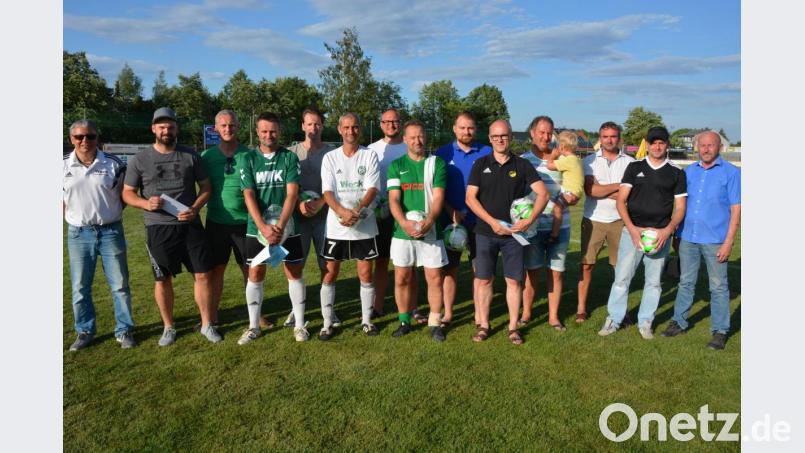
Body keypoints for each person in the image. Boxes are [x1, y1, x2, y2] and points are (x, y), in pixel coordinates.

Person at [122, 107, 218, 346]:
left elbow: (206, 187)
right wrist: (146, 203)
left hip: (190, 224)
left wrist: (195, 208)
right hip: (158, 227)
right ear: (153, 129)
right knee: (162, 278)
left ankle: (207, 324)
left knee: (203, 275)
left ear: (177, 129)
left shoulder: (190, 155)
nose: (166, 130)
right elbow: (127, 193)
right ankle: (168, 327)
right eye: (162, 126)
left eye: (171, 126)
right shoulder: (140, 159)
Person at [598, 126, 687, 339]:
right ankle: (614, 319)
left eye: (661, 142)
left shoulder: (676, 172)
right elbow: (621, 201)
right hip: (633, 232)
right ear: (647, 144)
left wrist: (667, 231)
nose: (657, 146)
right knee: (621, 278)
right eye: (653, 142)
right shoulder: (634, 167)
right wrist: (632, 230)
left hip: (660, 235)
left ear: (667, 144)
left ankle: (646, 322)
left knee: (654, 283)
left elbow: (681, 208)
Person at [465, 119, 549, 345]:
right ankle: (484, 325)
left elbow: (543, 194)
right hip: (485, 232)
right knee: (484, 280)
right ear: (490, 139)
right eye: (495, 136)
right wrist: (492, 222)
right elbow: (470, 198)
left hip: (514, 235)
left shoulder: (522, 165)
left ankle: (513, 327)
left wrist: (529, 220)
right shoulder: (480, 164)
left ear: (511, 137)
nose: (500, 140)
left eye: (504, 135)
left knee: (513, 281)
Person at [661, 130, 740, 350]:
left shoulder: (731, 173)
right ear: (697, 147)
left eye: (710, 145)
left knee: (718, 286)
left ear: (719, 147)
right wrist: (677, 234)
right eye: (702, 145)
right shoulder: (689, 172)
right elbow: (681, 204)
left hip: (716, 239)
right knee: (686, 282)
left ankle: (720, 330)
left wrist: (728, 242)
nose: (706, 149)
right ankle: (679, 322)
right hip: (688, 236)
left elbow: (736, 209)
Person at [64, 119, 136, 350]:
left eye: (90, 136)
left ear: (97, 138)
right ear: (72, 139)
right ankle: (85, 330)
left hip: (110, 232)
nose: (85, 140)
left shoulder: (114, 163)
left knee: (120, 285)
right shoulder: (61, 165)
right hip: (79, 234)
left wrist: (109, 214)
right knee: (80, 287)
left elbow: (124, 196)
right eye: (79, 137)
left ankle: (124, 330)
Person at [237, 112, 307, 344]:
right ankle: (253, 327)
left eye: (273, 131)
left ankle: (299, 325)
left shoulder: (289, 157)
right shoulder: (248, 158)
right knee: (255, 273)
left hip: (288, 227)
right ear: (257, 132)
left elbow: (292, 193)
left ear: (279, 131)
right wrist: (263, 228)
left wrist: (280, 226)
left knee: (294, 272)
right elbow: (248, 195)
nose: (269, 135)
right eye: (264, 131)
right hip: (257, 229)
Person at [319, 112, 381, 340]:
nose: (350, 131)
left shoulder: (369, 155)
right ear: (339, 129)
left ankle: (366, 321)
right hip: (337, 226)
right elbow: (327, 192)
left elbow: (372, 188)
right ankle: (327, 323)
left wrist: (357, 211)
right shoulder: (330, 157)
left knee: (365, 273)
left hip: (364, 224)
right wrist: (341, 212)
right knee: (330, 273)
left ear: (360, 129)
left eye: (354, 127)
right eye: (346, 127)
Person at [386, 120, 449, 341]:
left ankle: (435, 322)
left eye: (420, 136)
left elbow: (439, 197)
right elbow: (393, 199)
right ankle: (404, 321)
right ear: (405, 140)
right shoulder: (396, 165)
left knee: (434, 278)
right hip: (402, 232)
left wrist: (430, 221)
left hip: (431, 230)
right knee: (402, 277)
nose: (417, 141)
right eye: (412, 137)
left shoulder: (436, 164)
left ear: (426, 136)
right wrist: (404, 222)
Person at [283, 108, 340, 328]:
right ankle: (295, 310)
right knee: (295, 265)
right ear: (302, 126)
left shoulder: (331, 153)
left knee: (328, 265)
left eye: (317, 124)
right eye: (309, 124)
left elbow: (337, 186)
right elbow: (285, 185)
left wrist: (321, 203)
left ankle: (328, 309)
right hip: (298, 219)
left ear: (322, 126)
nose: (313, 128)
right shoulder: (291, 153)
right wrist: (299, 202)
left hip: (326, 218)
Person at [434, 111, 492, 327]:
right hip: (451, 222)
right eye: (462, 127)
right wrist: (451, 211)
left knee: (480, 270)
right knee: (449, 270)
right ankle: (448, 313)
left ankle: (479, 313)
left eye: (470, 128)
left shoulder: (487, 152)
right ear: (454, 128)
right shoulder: (442, 153)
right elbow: (436, 189)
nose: (466, 131)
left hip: (480, 222)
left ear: (476, 129)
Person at [576, 122, 635, 323]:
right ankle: (581, 309)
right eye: (605, 136)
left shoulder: (630, 162)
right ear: (600, 138)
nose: (609, 140)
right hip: (593, 220)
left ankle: (621, 310)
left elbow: (630, 195)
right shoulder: (589, 161)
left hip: (620, 220)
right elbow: (590, 191)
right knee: (586, 266)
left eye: (613, 136)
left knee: (620, 269)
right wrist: (619, 187)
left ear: (619, 138)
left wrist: (603, 189)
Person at [521, 116, 575, 331]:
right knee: (531, 271)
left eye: (549, 133)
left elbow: (574, 185)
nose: (545, 137)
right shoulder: (523, 161)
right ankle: (526, 313)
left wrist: (573, 196)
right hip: (533, 227)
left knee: (556, 272)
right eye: (541, 132)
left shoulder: (563, 158)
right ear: (532, 133)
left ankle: (553, 317)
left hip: (560, 226)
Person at [200, 110, 251, 328]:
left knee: (250, 271)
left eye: (231, 125)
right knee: (216, 270)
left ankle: (255, 315)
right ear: (216, 129)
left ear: (238, 127)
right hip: (217, 223)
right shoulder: (206, 157)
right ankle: (212, 316)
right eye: (223, 125)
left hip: (245, 222)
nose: (228, 129)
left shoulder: (249, 155)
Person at [367, 108, 414, 320]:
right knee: (381, 261)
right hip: (379, 215)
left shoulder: (408, 146)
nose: (391, 125)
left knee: (409, 263)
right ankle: (377, 306)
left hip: (406, 213)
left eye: (394, 121)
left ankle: (412, 306)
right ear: (381, 124)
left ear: (400, 123)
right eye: (386, 122)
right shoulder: (372, 149)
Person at [546, 130, 584, 242]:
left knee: (557, 209)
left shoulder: (568, 161)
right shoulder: (577, 159)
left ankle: (554, 234)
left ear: (562, 146)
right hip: (575, 193)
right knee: (559, 208)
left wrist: (552, 156)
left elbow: (550, 166)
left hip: (569, 193)